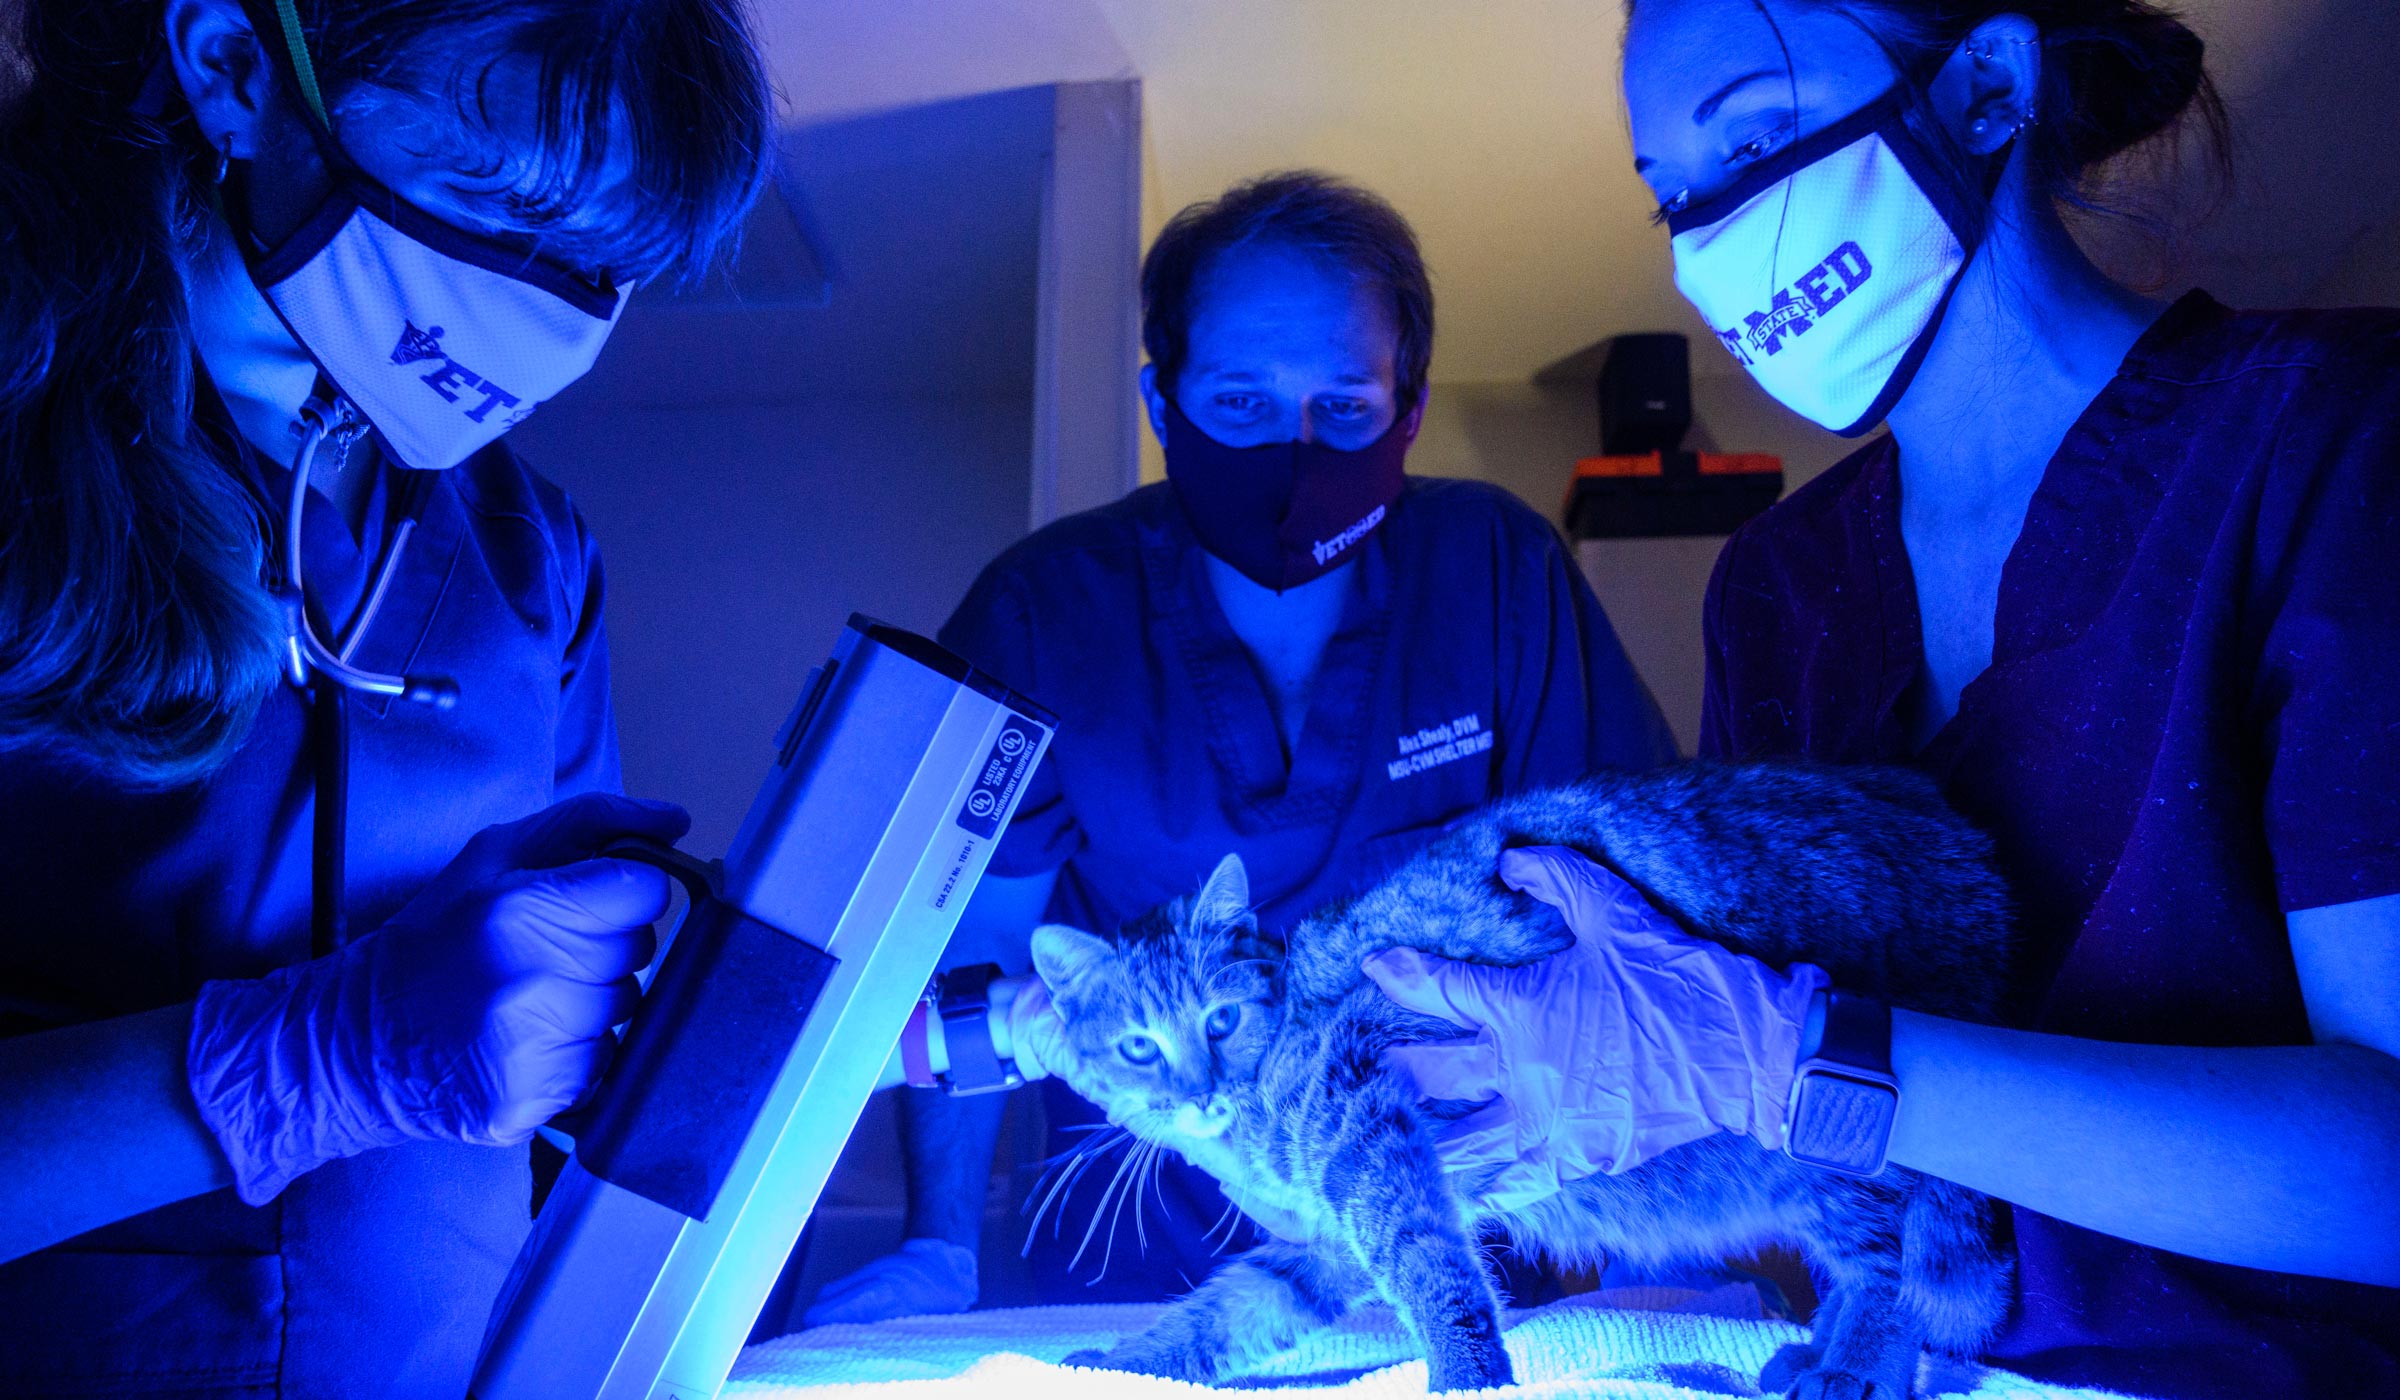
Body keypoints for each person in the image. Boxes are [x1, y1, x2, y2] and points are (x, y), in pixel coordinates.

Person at [1365, 1, 2400, 1396]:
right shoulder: (1785, 591)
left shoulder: (2328, 450)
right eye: (1673, 194)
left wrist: (1813, 1061)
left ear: (1982, 88)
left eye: (1753, 140)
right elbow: (1794, 1152)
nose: (1705, 235)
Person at [0, 0, 768, 1394]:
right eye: (492, 196)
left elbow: (529, 1105)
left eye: (604, 260)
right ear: (234, 66)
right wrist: (303, 1059)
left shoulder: (530, 563)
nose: (549, 304)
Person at [802, 171, 1679, 1324]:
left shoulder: (1495, 577)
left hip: (1464, 1230)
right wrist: (935, 1245)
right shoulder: (1046, 618)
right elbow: (975, 953)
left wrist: (1657, 1249)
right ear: (1162, 404)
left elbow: (1636, 922)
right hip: (1137, 1251)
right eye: (1242, 404)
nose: (1296, 450)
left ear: (1407, 410)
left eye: (1346, 409)